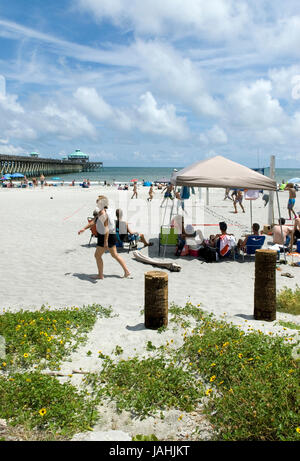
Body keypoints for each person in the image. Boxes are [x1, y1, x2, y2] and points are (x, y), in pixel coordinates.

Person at [93, 196, 132, 279]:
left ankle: (100, 275)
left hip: (106, 236)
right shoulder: (109, 210)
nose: (96, 203)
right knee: (115, 255)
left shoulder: (103, 213)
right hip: (112, 234)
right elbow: (95, 221)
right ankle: (127, 271)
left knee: (97, 255)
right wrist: (84, 228)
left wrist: (105, 241)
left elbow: (106, 228)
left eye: (98, 202)